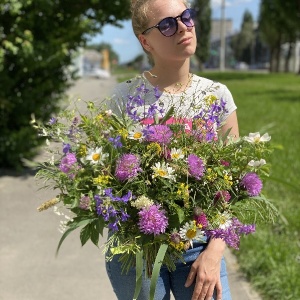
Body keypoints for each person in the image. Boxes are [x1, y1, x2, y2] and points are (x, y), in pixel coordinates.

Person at [105, 0, 239, 299]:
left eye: (186, 17)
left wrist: (215, 251)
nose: (182, 27)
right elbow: (105, 178)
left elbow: (234, 183)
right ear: (145, 41)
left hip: (198, 245)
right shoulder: (124, 97)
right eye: (167, 24)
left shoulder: (216, 95)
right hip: (136, 250)